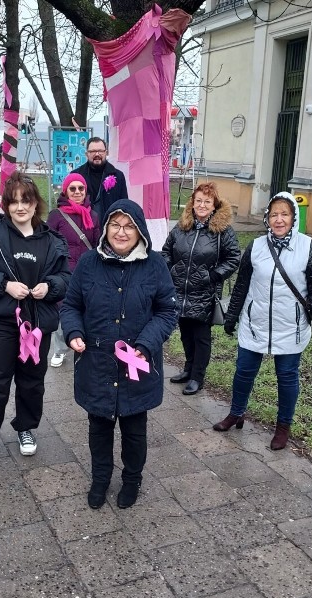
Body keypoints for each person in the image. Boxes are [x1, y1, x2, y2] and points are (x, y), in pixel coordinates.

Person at [60, 200, 178, 510]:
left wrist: (146, 344)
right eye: (115, 225)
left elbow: (167, 310)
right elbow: (71, 305)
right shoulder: (88, 263)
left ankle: (132, 480)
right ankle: (100, 478)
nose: (121, 232)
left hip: (138, 366)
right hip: (96, 364)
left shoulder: (155, 265)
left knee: (134, 430)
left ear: (139, 230)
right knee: (98, 428)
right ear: (106, 228)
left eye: (129, 226)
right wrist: (74, 333)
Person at [0, 172, 71, 464]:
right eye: (14, 202)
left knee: (32, 381)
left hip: (38, 323)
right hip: (2, 322)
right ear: (6, 205)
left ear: (36, 204)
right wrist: (3, 285)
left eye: (27, 200)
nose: (20, 207)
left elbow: (66, 277)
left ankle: (26, 427)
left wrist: (51, 287)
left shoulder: (52, 240)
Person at [218, 192, 312, 450]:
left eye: (284, 214)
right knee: (243, 371)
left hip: (289, 326)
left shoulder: (307, 246)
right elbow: (242, 284)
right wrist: (232, 316)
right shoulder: (256, 246)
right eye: (274, 214)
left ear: (293, 217)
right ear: (267, 218)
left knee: (287, 377)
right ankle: (236, 413)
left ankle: (283, 427)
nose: (279, 220)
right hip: (255, 322)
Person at [162, 182, 241, 395]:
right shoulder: (182, 226)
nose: (202, 205)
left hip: (204, 292)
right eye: (199, 201)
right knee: (185, 334)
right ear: (193, 203)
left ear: (214, 205)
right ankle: (188, 369)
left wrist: (213, 276)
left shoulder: (222, 231)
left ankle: (198, 376)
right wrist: (171, 270)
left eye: (207, 201)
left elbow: (234, 257)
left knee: (201, 336)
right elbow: (166, 251)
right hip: (180, 290)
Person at [46, 173, 101, 367]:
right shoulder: (56, 216)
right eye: (73, 188)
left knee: (87, 309)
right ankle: (60, 350)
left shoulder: (92, 215)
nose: (77, 192)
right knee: (64, 310)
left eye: (81, 188)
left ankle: (83, 345)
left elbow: (97, 244)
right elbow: (48, 242)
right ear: (66, 191)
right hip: (64, 271)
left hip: (87, 271)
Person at [72, 137, 128, 220]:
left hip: (109, 226)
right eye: (93, 151)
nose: (97, 154)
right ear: (87, 154)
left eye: (101, 151)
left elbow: (124, 205)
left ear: (106, 153)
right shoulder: (75, 175)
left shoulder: (118, 176)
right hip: (82, 227)